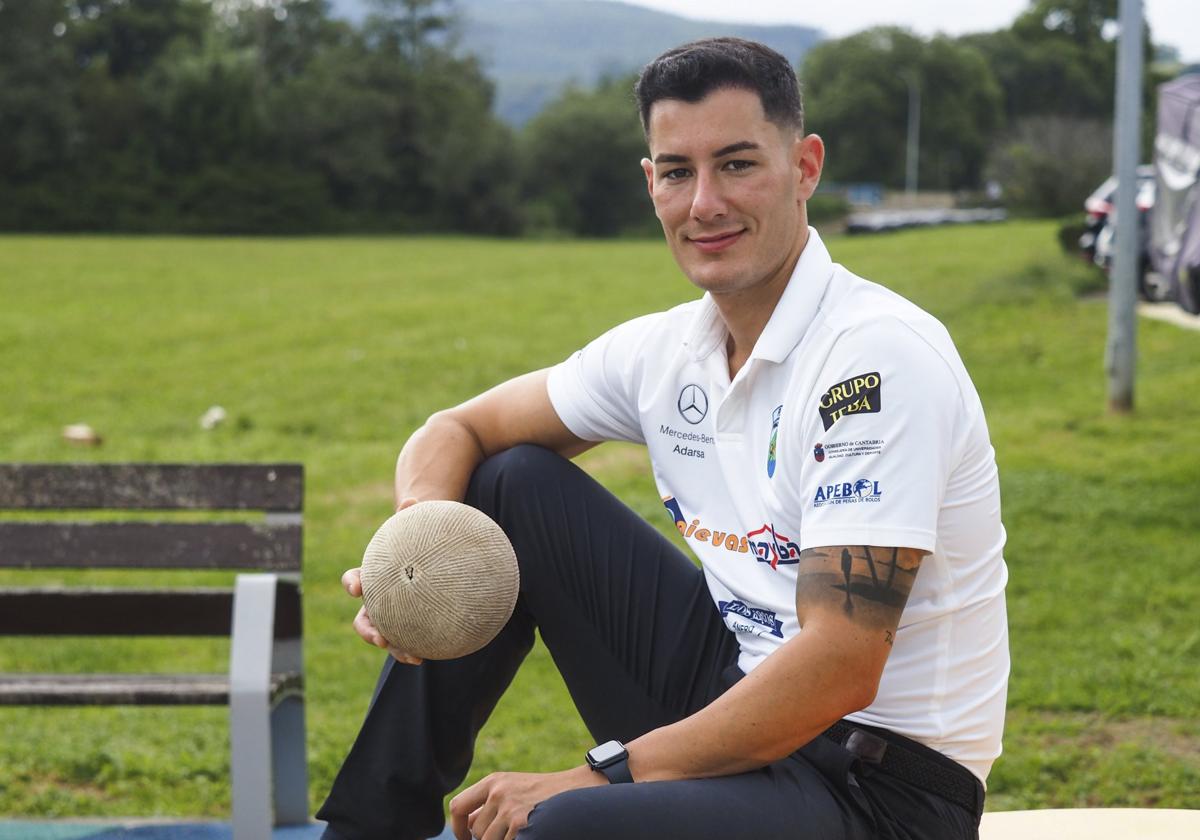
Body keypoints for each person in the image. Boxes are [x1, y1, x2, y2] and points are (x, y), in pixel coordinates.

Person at [317, 36, 1009, 840]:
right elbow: (457, 429)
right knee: (506, 483)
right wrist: (419, 556)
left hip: (877, 788)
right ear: (652, 185)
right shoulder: (666, 350)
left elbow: (841, 666)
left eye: (738, 164)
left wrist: (598, 776)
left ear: (806, 167)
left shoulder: (876, 357)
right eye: (678, 172)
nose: (704, 203)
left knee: (567, 829)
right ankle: (368, 832)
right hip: (732, 691)